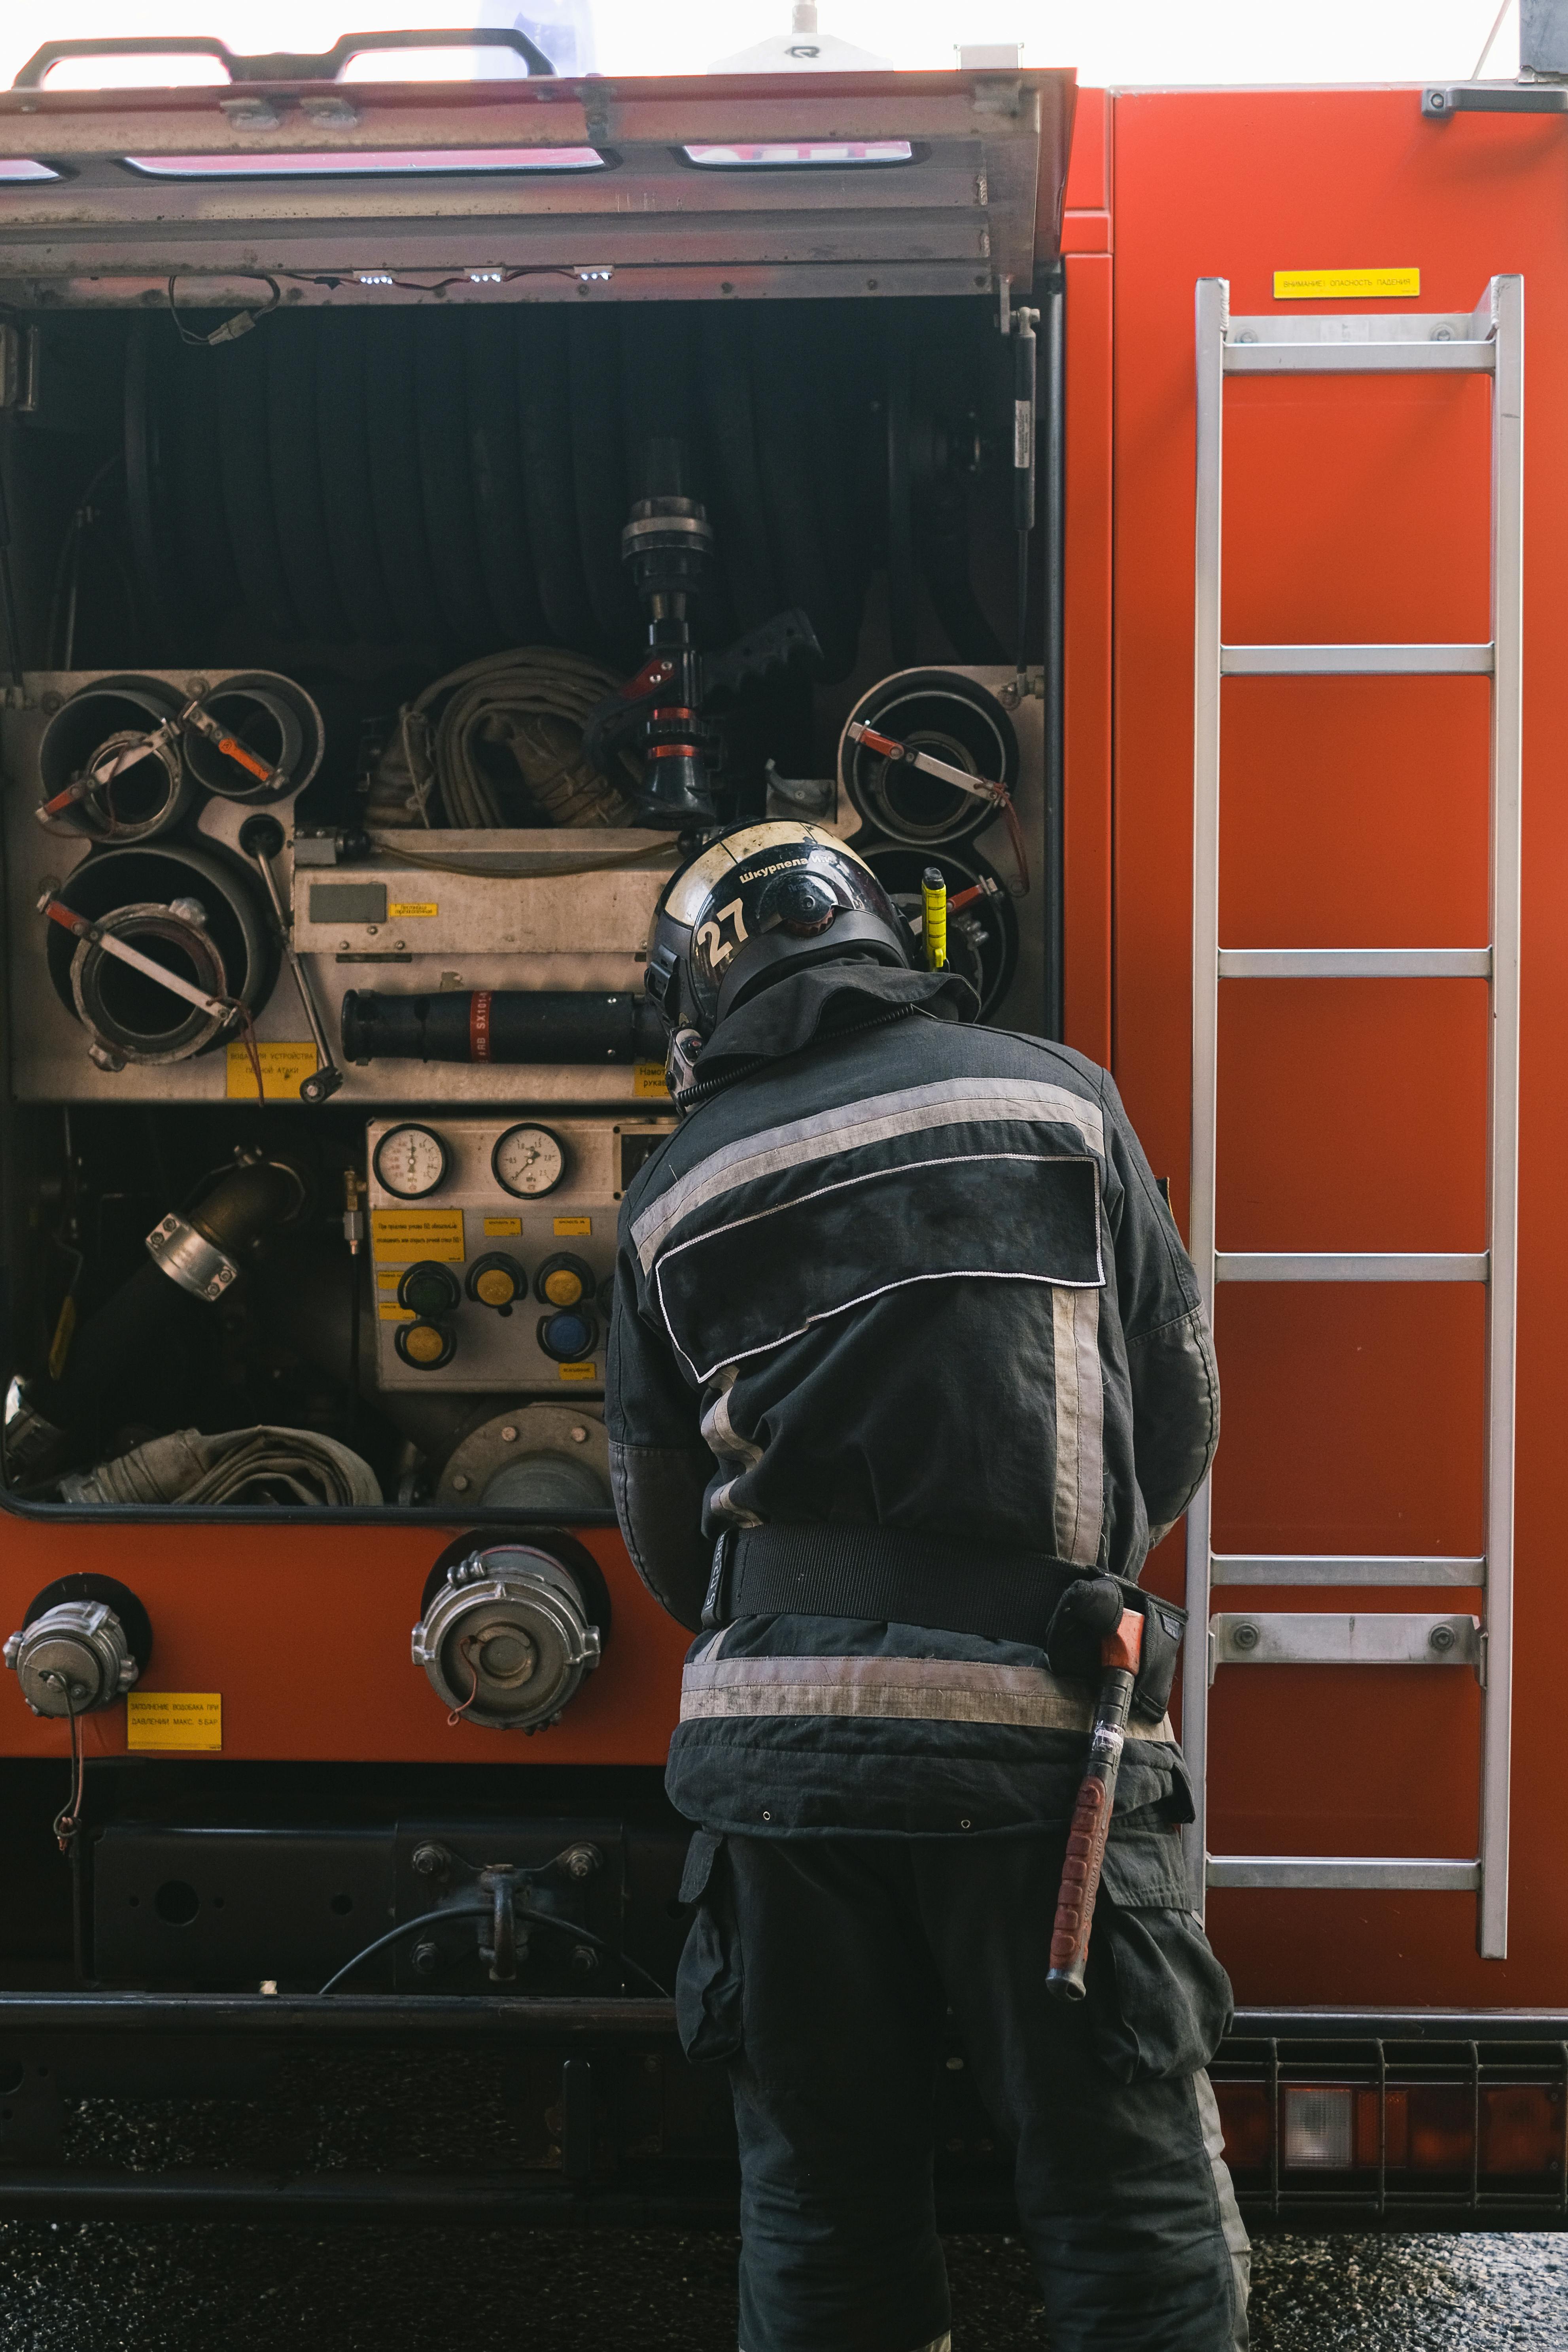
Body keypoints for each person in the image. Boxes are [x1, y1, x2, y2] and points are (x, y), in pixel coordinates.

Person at [607, 820, 1247, 2352]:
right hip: (1037, 1744)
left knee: (826, 2215)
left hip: (775, 1770)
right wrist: (1052, 1580)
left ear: (698, 997)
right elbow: (1172, 1406)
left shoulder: (668, 1192)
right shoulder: (1056, 1098)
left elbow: (660, 1532)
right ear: (883, 941)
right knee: (1120, 2203)